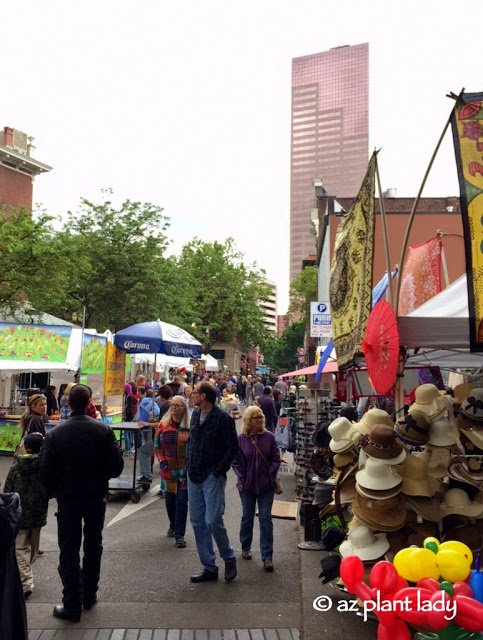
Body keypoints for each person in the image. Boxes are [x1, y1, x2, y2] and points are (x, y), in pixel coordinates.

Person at [40, 384, 124, 622]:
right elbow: (116, 467)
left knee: (69, 550)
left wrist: (57, 487)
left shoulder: (56, 433)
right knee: (93, 545)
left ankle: (72, 603)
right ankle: (88, 595)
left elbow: (45, 472)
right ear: (89, 403)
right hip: (95, 495)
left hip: (68, 498)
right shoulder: (104, 430)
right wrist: (99, 476)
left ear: (68, 404)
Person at [186, 381, 239, 583]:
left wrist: (218, 471)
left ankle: (229, 557)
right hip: (194, 474)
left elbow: (233, 448)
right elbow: (192, 442)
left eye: (195, 393)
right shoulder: (196, 415)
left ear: (204, 396)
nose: (192, 395)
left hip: (211, 475)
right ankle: (209, 566)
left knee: (212, 520)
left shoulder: (222, 418)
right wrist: (187, 466)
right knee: (198, 521)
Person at [231, 406, 280, 572]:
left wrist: (271, 474)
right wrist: (243, 477)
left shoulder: (269, 437)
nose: (258, 420)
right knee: (247, 516)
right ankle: (245, 546)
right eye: (255, 418)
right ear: (248, 421)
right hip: (247, 486)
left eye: (260, 417)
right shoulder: (241, 439)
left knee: (265, 518)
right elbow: (235, 460)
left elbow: (275, 457)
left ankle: (267, 556)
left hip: (266, 486)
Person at [4, 433, 49, 597]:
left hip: (20, 514)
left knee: (21, 547)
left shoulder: (16, 467)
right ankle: (25, 581)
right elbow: (50, 487)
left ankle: (24, 577)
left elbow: (7, 491)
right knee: (33, 547)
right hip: (38, 514)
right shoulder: (44, 466)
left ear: (27, 447)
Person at [154, 396, 190, 548]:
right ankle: (172, 524)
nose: (174, 408)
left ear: (183, 408)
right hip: (168, 470)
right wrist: (161, 460)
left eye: (178, 405)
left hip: (184, 471)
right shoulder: (163, 425)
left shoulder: (190, 426)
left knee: (182, 501)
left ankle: (179, 534)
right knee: (170, 500)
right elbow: (157, 445)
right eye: (172, 405)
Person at [137, 388, 160, 484]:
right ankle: (148, 473)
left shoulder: (142, 402)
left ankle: (147, 474)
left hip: (144, 425)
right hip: (151, 429)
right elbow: (157, 414)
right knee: (146, 449)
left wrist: (145, 423)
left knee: (144, 446)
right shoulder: (154, 403)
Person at [123, 383, 136, 454]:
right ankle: (130, 447)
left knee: (126, 433)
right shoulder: (130, 396)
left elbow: (129, 408)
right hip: (130, 417)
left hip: (128, 418)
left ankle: (127, 448)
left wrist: (127, 417)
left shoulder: (129, 397)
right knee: (129, 433)